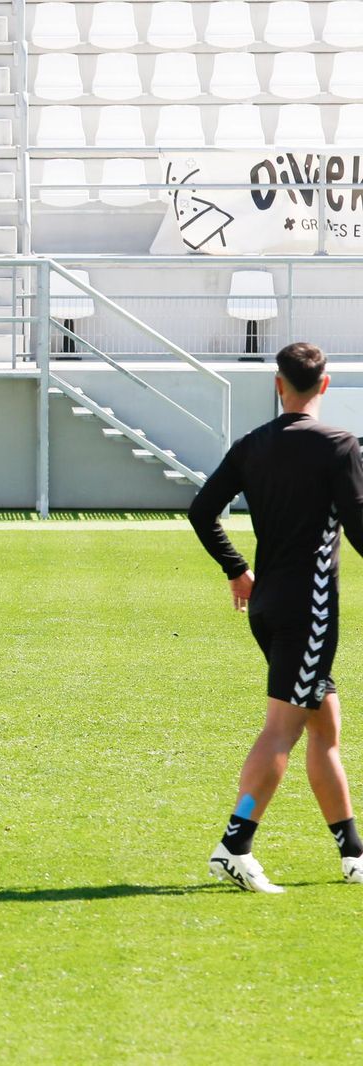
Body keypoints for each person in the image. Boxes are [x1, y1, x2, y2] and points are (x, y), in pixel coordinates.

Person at [189, 341, 363, 893]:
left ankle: (353, 854)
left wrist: (237, 569)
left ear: (278, 384)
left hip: (267, 607)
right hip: (307, 612)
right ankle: (235, 843)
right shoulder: (339, 445)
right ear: (326, 385)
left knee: (324, 726)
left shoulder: (252, 445)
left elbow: (201, 510)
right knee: (282, 730)